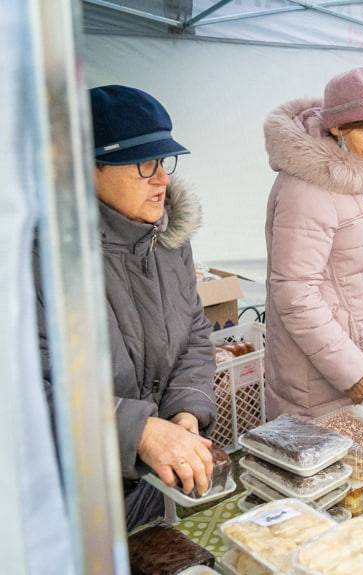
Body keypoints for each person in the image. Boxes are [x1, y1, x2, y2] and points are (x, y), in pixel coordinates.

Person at [35, 85, 218, 530]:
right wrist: (138, 431)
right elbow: (26, 392)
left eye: (164, 161)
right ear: (87, 168)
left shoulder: (170, 240)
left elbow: (194, 332)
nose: (163, 179)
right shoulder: (41, 258)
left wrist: (186, 412)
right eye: (144, 164)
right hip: (72, 506)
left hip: (154, 491)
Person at [263, 68, 363, 418]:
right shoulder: (306, 190)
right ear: (338, 127)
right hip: (326, 379)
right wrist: (351, 371)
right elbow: (295, 294)